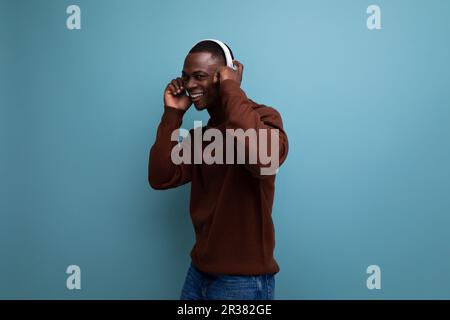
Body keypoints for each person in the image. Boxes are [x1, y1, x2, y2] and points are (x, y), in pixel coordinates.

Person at [148, 39, 289, 300]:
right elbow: (160, 177)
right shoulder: (201, 137)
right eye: (185, 77)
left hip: (242, 282)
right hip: (199, 273)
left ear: (224, 76)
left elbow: (262, 157)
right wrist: (172, 115)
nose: (189, 86)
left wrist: (232, 89)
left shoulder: (265, 119)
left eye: (199, 76)